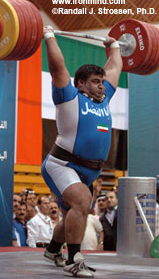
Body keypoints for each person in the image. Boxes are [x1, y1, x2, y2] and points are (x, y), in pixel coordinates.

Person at [41, 25, 122, 277]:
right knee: (81, 202)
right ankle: (74, 259)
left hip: (90, 171)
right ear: (80, 84)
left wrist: (114, 45)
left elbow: (115, 66)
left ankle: (53, 249)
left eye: (101, 82)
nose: (101, 86)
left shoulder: (104, 98)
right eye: (95, 82)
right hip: (63, 164)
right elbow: (57, 67)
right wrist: (50, 36)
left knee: (74, 215)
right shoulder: (68, 95)